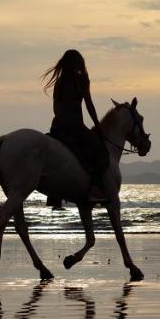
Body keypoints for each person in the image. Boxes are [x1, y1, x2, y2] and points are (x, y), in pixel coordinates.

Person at [43, 49, 109, 205]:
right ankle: (95, 190)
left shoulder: (59, 82)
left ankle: (54, 194)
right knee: (101, 153)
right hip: (75, 126)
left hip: (57, 126)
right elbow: (89, 106)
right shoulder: (82, 81)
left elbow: (55, 109)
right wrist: (98, 126)